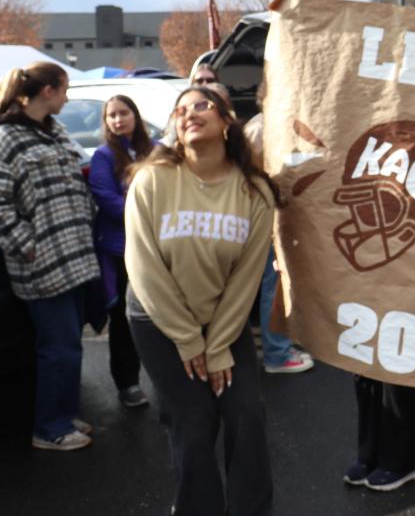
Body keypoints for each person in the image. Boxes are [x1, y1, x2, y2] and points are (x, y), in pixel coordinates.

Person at [125, 86, 278, 515]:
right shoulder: (152, 180)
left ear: (227, 120)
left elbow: (245, 282)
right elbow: (143, 267)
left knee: (246, 414)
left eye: (201, 106)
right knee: (193, 423)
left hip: (223, 322)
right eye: (181, 109)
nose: (189, 113)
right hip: (158, 319)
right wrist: (190, 341)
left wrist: (217, 346)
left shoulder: (254, 192)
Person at [0, 62, 100, 451]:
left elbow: (78, 176)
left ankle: (65, 412)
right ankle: (49, 428)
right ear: (48, 90)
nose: (67, 98)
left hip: (75, 258)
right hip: (43, 266)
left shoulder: (54, 130)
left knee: (70, 344)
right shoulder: (7, 137)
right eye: (65, 90)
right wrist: (29, 245)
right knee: (57, 347)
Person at [88, 95, 155, 408]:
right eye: (112, 115)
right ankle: (127, 383)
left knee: (162, 315)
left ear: (135, 115)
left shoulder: (154, 150)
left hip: (157, 247)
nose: (118, 120)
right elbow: (103, 194)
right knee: (123, 319)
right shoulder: (103, 156)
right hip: (120, 249)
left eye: (123, 113)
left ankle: (167, 378)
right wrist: (142, 216)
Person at [243, 81, 314, 373]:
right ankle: (277, 353)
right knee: (273, 285)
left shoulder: (261, 126)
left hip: (268, 217)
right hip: (268, 219)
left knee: (274, 284)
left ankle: (278, 346)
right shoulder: (264, 129)